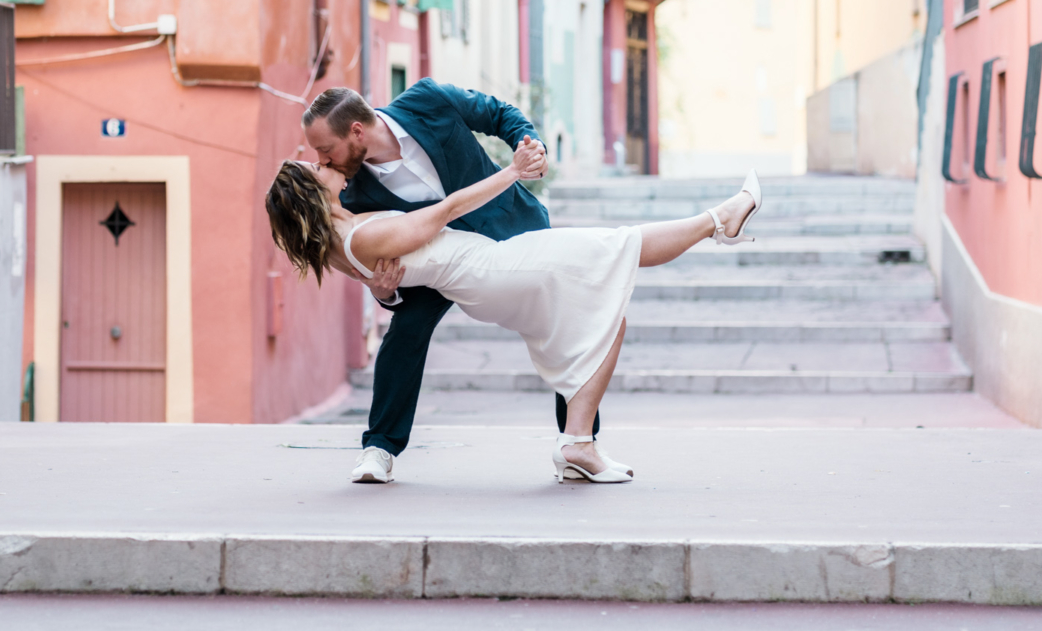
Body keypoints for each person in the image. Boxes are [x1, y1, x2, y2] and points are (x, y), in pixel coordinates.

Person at [268, 134, 762, 483]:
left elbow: (386, 274)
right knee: (618, 248)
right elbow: (445, 212)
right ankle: (721, 219)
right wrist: (511, 172)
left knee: (606, 313)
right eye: (316, 168)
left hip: (487, 274)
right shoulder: (364, 233)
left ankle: (577, 446)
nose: (324, 163)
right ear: (309, 193)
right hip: (493, 270)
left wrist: (381, 289)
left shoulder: (342, 234)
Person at [301, 82, 578, 483]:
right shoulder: (354, 192)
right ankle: (379, 448)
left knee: (562, 326)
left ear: (357, 131)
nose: (322, 161)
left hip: (511, 226)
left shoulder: (428, 100)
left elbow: (498, 113)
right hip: (435, 266)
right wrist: (385, 292)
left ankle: (577, 443)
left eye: (326, 149)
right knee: (404, 331)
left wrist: (532, 146)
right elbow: (373, 259)